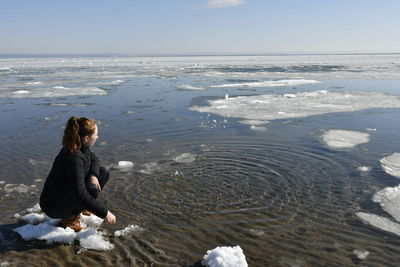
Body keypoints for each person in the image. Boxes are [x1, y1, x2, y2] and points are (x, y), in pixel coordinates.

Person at [40, 116, 116, 231]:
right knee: (88, 190)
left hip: (65, 195)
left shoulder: (80, 146)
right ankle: (69, 219)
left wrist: (93, 175)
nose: (97, 137)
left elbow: (95, 159)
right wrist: (105, 212)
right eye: (96, 135)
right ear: (86, 138)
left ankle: (81, 208)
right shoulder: (74, 157)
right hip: (53, 205)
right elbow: (80, 194)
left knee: (102, 173)